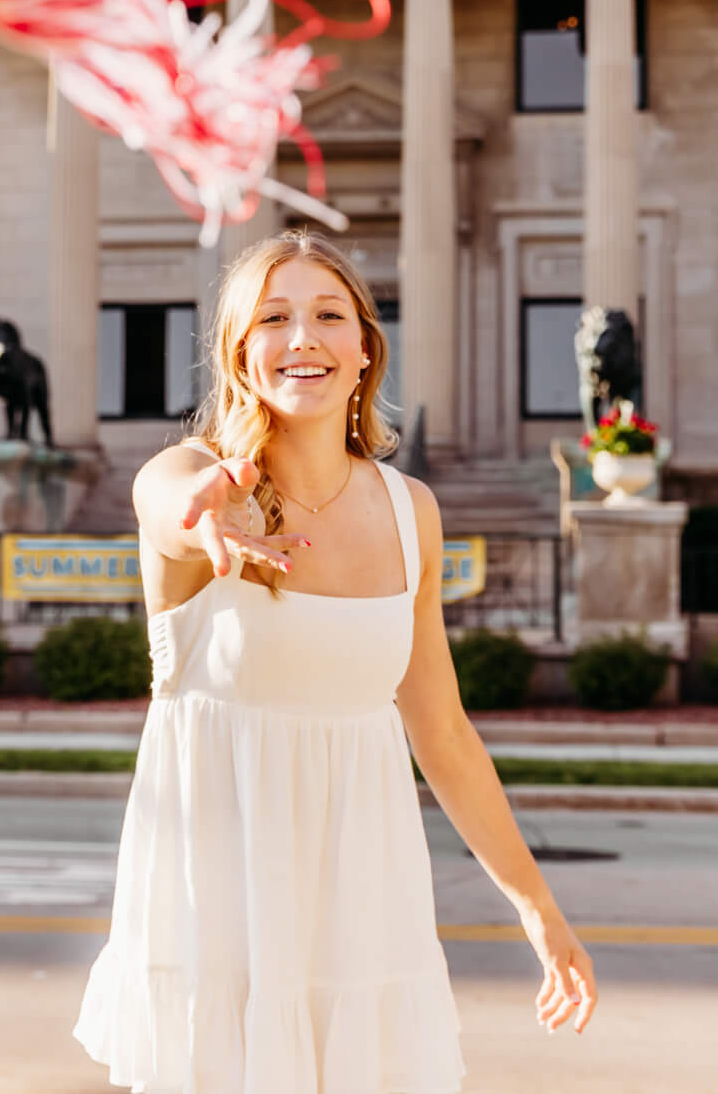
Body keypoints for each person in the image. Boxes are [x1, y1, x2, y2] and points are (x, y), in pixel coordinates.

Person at [75, 231, 597, 1093]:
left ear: (365, 347)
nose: (303, 337)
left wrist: (537, 906)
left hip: (363, 895)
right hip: (221, 899)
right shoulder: (195, 474)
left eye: (328, 315)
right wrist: (196, 517)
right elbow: (163, 500)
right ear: (241, 354)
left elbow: (445, 734)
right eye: (274, 318)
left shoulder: (410, 511)